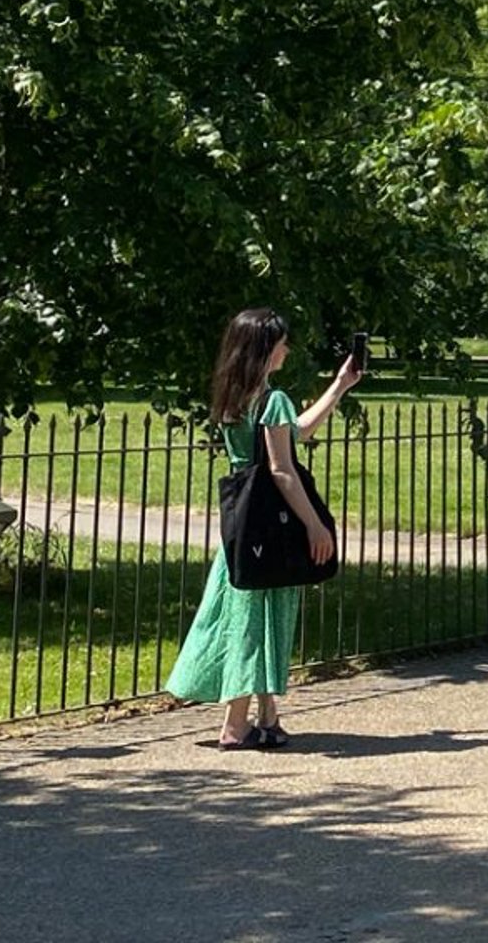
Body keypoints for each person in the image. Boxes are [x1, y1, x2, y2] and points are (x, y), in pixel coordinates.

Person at [168, 308, 364, 749]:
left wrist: (339, 386)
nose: (287, 348)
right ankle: (236, 724)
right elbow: (283, 469)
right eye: (280, 342)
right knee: (256, 618)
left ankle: (267, 716)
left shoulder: (237, 398)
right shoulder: (272, 400)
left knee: (242, 612)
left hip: (243, 523)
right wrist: (315, 526)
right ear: (265, 347)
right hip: (272, 522)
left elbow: (295, 433)